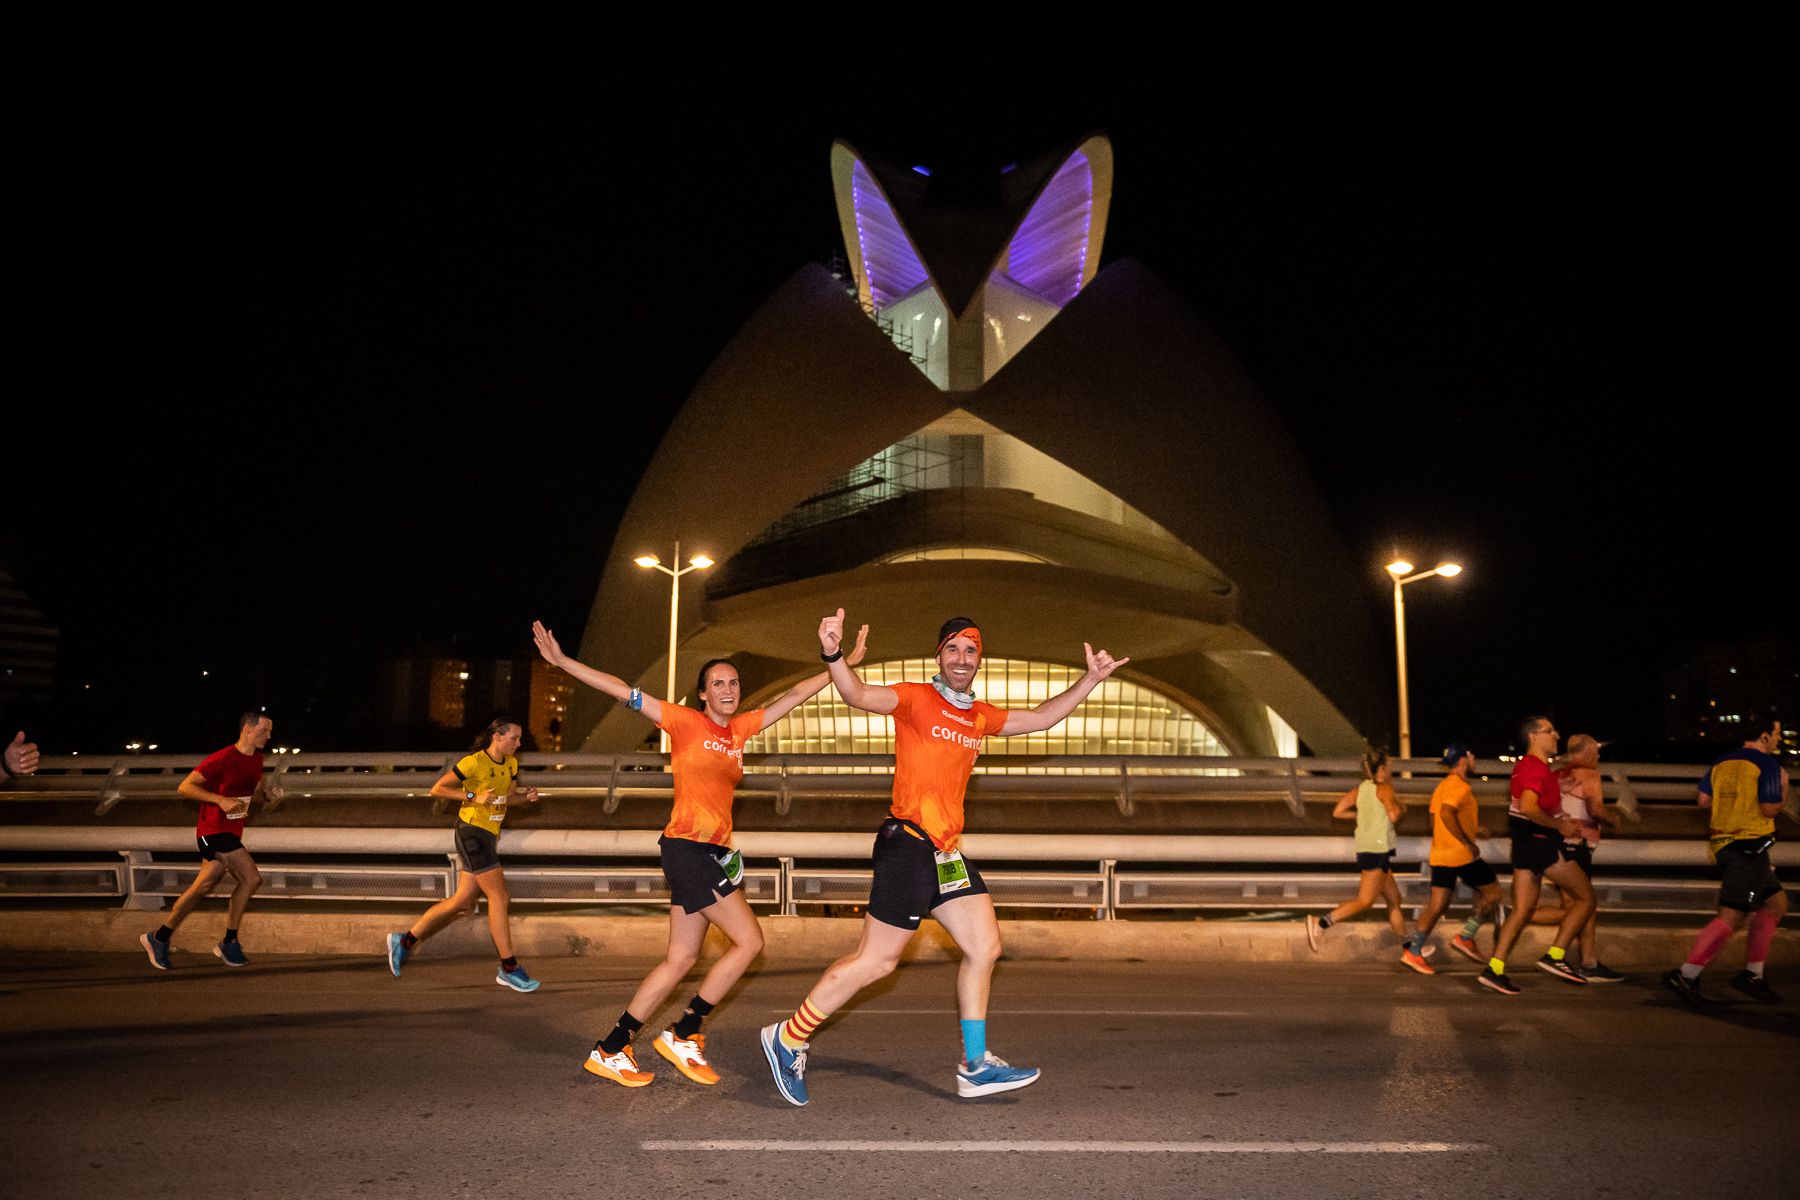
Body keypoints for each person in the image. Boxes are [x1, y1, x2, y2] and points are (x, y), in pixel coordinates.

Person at [762, 611, 1127, 1107]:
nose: (961, 658)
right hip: (908, 843)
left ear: (979, 659)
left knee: (984, 946)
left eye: (970, 650)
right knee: (877, 961)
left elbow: (1041, 717)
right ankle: (787, 1037)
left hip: (945, 852)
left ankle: (974, 1066)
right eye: (952, 649)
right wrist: (832, 653)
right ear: (939, 656)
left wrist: (1090, 679)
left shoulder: (978, 715)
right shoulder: (916, 698)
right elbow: (858, 695)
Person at [532, 617, 869, 1089]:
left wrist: (840, 664)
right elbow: (623, 692)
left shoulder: (740, 730)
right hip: (688, 849)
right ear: (704, 695)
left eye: (733, 682)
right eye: (717, 684)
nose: (728, 689)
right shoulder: (686, 722)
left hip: (706, 853)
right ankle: (685, 1032)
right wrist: (564, 662)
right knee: (750, 941)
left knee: (680, 960)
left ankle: (611, 1048)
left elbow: (791, 698)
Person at [385, 718, 543, 992]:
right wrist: (472, 795)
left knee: (461, 903)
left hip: (488, 836)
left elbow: (507, 799)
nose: (519, 743)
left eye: (519, 739)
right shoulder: (474, 762)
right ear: (497, 736)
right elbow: (438, 789)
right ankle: (509, 967)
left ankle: (404, 941)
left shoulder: (511, 764)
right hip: (471, 833)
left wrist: (526, 798)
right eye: (514, 738)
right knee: (499, 896)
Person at [1664, 712, 1788, 1005]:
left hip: (1723, 844)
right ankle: (1686, 974)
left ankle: (1752, 975)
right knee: (1732, 916)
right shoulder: (1768, 763)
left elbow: (1703, 801)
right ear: (1765, 735)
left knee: (1776, 902)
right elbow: (1770, 809)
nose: (1779, 740)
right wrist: (1783, 791)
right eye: (1778, 734)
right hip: (1748, 846)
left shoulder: (1722, 761)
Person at [139, 712, 279, 969]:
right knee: (251, 878)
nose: (269, 736)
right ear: (247, 729)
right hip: (213, 830)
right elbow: (185, 786)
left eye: (270, 731)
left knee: (202, 887)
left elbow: (255, 797)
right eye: (264, 731)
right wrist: (219, 800)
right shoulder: (223, 758)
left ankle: (159, 937)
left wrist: (269, 795)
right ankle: (229, 941)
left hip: (233, 831)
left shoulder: (257, 760)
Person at [1478, 716, 1595, 995]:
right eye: (1549, 731)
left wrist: (1562, 818)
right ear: (1533, 736)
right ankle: (1555, 955)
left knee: (1522, 910)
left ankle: (1493, 969)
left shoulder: (1530, 767)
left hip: (1524, 846)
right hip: (1540, 845)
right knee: (1586, 898)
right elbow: (1530, 808)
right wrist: (1559, 825)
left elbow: (1527, 808)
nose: (1556, 735)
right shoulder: (1534, 767)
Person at [1304, 746, 1425, 971]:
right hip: (1378, 850)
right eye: (1389, 764)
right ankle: (1320, 922)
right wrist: (1398, 805)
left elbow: (1337, 811)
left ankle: (1409, 949)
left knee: (1394, 900)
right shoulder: (1385, 788)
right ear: (1382, 769)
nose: (1391, 768)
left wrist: (1362, 816)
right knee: (1365, 900)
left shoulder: (1360, 790)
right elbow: (1394, 815)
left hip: (1368, 848)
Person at [1528, 734, 1624, 981]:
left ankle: (1587, 960)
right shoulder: (1590, 775)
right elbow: (1595, 809)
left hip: (1557, 844)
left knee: (1576, 905)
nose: (1599, 756)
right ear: (1586, 752)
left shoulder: (1557, 774)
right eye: (1596, 751)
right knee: (1586, 903)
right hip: (1578, 845)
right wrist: (1614, 819)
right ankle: (1572, 959)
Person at [1402, 743, 1506, 972]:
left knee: (1437, 905)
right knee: (1494, 892)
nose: (1474, 760)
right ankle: (1466, 937)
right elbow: (1447, 813)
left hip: (1441, 854)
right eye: (1472, 757)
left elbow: (1436, 820)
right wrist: (1468, 842)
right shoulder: (1460, 787)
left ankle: (1414, 951)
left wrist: (1473, 830)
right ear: (1463, 761)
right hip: (1461, 855)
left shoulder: (1441, 787)